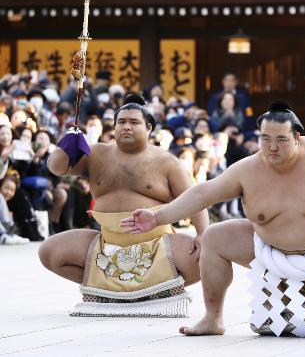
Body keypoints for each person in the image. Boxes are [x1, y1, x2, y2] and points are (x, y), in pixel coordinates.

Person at [120, 100, 305, 340]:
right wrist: (157, 217)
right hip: (267, 248)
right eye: (265, 139)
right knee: (215, 237)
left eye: (281, 139)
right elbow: (203, 193)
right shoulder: (247, 169)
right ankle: (213, 318)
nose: (272, 147)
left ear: (297, 137)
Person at [39, 94, 209, 316]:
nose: (126, 127)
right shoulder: (96, 153)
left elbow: (194, 198)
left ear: (148, 128)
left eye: (134, 122)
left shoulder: (167, 162)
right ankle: (106, 289)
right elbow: (56, 168)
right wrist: (66, 145)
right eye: (121, 122)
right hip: (107, 242)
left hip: (155, 244)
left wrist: (202, 233)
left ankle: (154, 290)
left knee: (206, 259)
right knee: (49, 252)